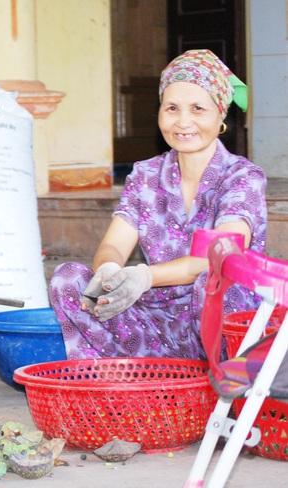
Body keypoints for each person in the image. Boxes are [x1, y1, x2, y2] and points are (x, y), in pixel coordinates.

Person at [49, 49, 267, 360]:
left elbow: (219, 256)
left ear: (221, 115)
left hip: (221, 327)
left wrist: (144, 277)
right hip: (153, 323)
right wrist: (110, 272)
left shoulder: (243, 177)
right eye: (172, 108)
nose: (183, 121)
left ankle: (221, 391)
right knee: (68, 278)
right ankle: (126, 382)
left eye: (198, 109)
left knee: (215, 283)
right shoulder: (146, 174)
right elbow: (113, 244)